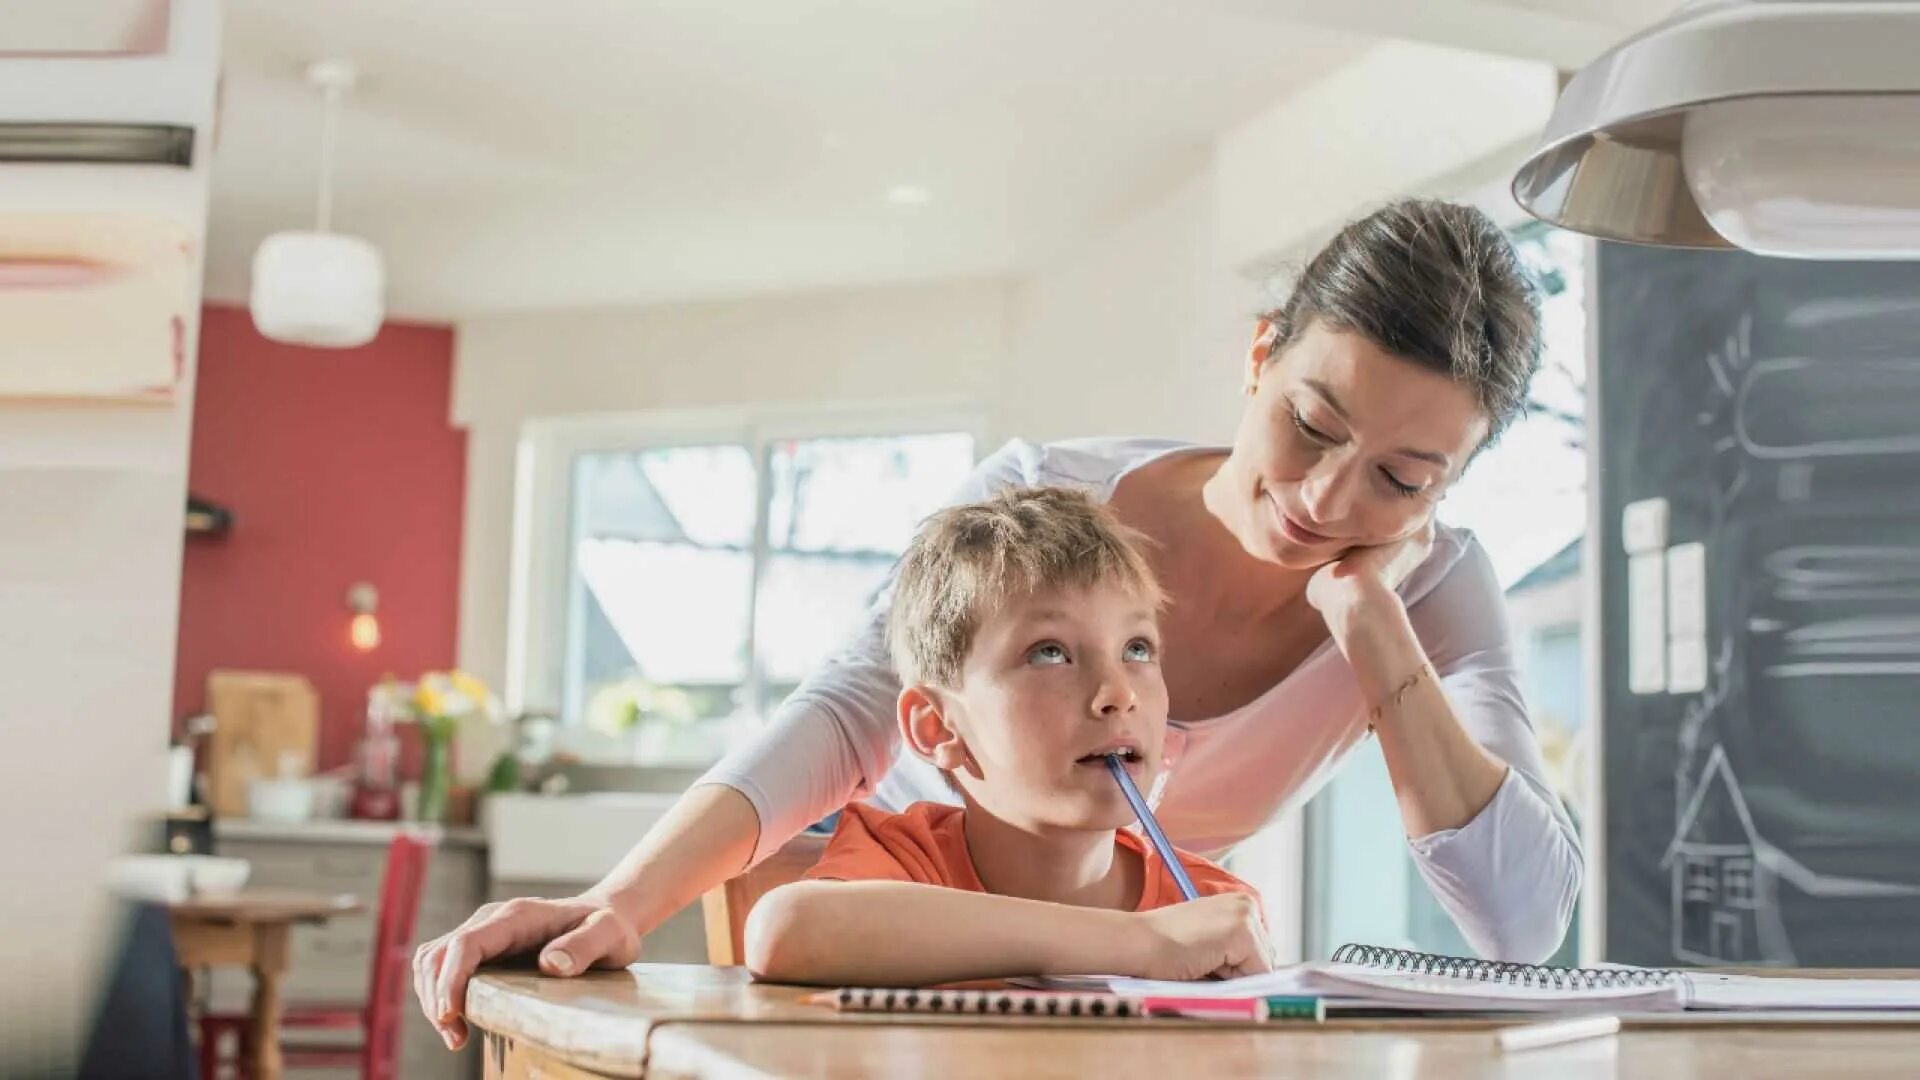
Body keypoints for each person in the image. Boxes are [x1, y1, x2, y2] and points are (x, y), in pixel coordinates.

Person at [415, 198, 1583, 1050]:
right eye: (1314, 425)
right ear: (1262, 353)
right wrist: (619, 902)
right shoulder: (1044, 500)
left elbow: (1524, 927)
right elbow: (847, 714)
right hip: (906, 987)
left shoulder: (1431, 592)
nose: (1331, 502)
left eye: (1404, 477)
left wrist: (1373, 625)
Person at [745, 486, 1270, 986]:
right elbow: (786, 930)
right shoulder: (903, 861)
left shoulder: (1209, 905)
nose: (1117, 692)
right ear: (937, 726)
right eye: (1050, 652)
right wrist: (1140, 942)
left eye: (1137, 648)